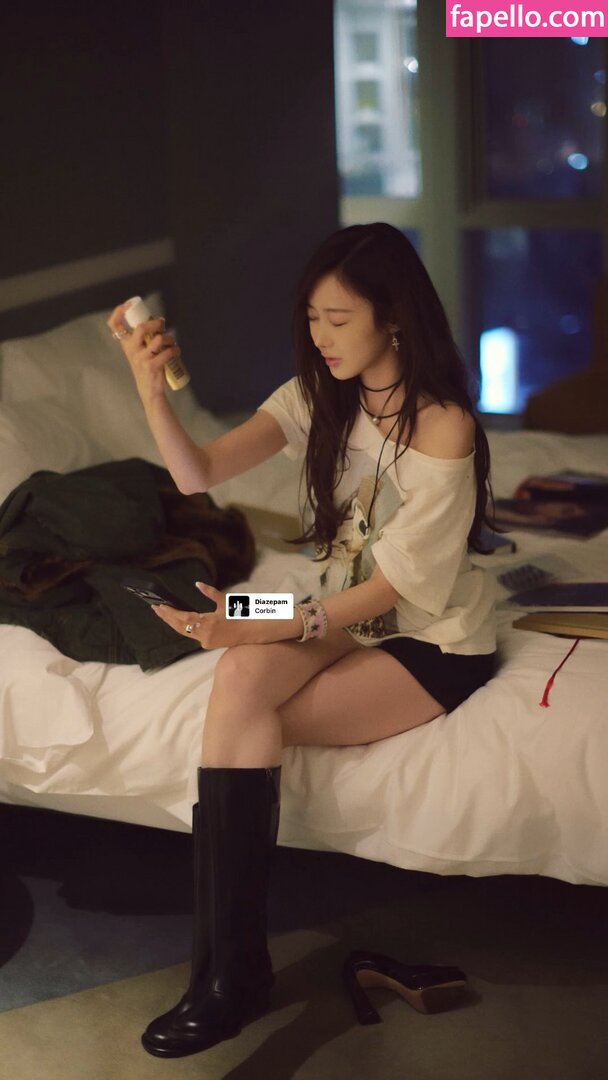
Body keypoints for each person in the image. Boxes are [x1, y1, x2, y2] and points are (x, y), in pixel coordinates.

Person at [107, 222, 497, 1058]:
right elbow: (197, 474)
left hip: (431, 638)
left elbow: (390, 593)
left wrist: (256, 623)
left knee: (246, 704)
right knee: (240, 679)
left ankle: (228, 977)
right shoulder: (315, 397)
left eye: (339, 319)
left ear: (394, 316)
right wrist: (150, 389)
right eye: (312, 318)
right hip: (342, 614)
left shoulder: (445, 428)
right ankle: (228, 974)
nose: (321, 337)